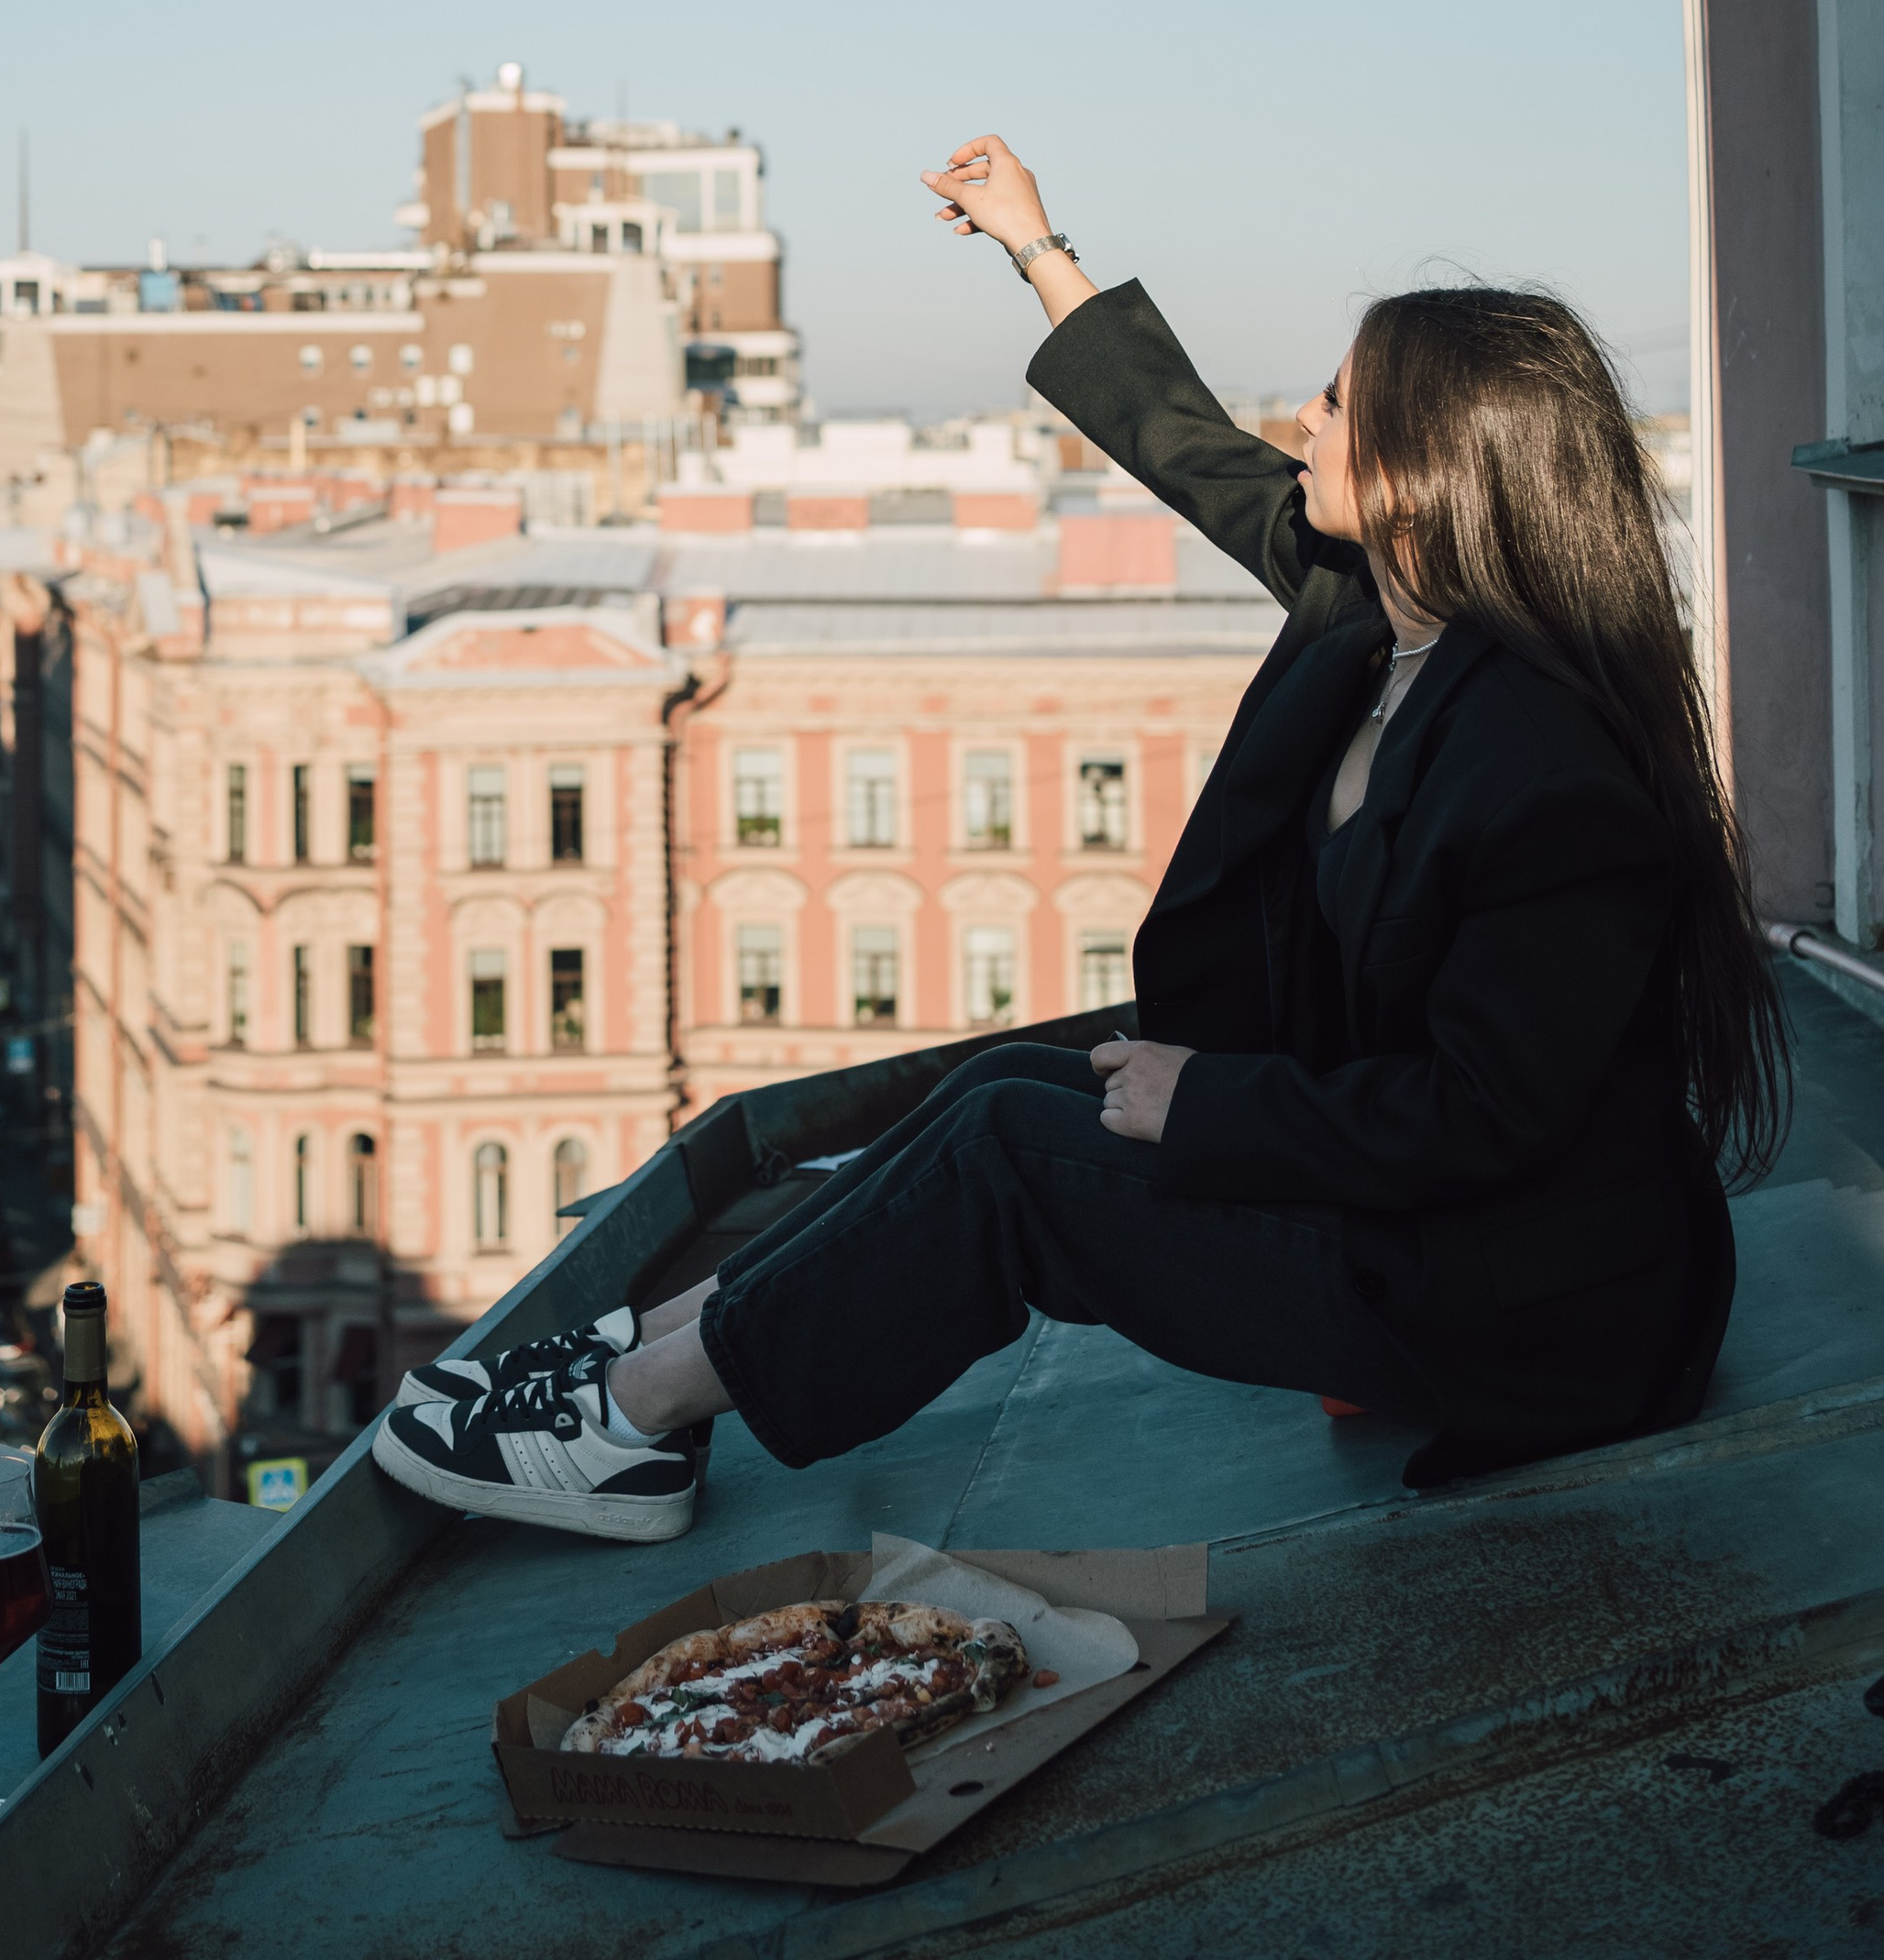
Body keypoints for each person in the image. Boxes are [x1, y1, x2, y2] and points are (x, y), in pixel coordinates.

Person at [371, 135, 1788, 1544]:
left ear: (1421, 477)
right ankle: (638, 1353)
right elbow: (1189, 447)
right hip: (1412, 1225)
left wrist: (1206, 1103)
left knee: (1012, 1152)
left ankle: (627, 1427)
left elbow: (1489, 1117)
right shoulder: (1377, 611)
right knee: (1006, 1080)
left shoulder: (1550, 768)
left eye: (1337, 402)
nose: (1300, 420)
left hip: (1526, 1310)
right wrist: (1036, 246)